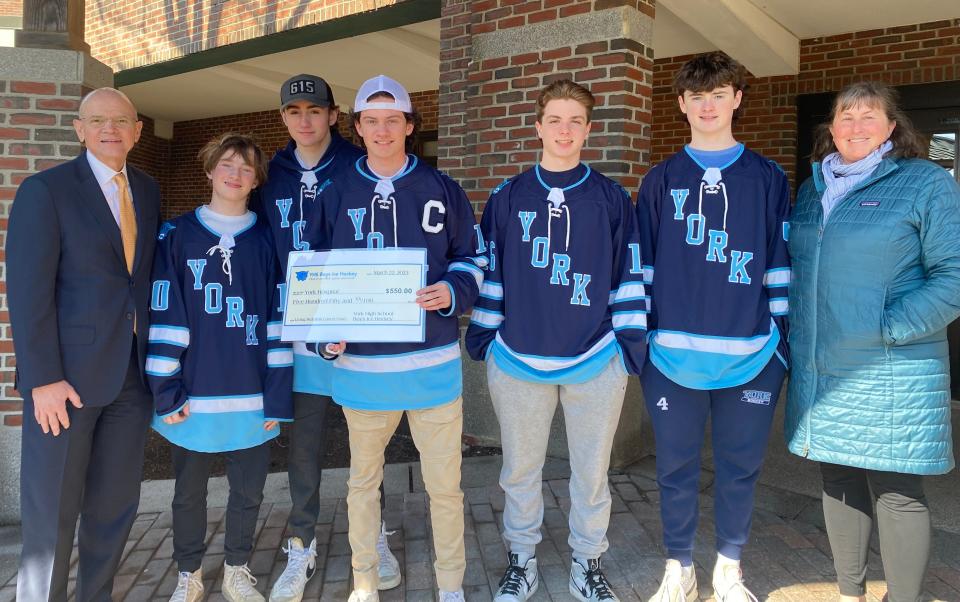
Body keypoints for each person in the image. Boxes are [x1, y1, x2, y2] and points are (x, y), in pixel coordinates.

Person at [464, 79, 647, 602]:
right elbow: (489, 269)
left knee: (591, 474)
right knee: (520, 470)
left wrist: (625, 346)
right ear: (538, 126)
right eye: (555, 120)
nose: (564, 130)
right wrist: (487, 337)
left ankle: (587, 563)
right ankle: (520, 559)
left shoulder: (611, 198)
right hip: (520, 356)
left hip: (594, 357)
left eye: (575, 121)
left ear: (588, 129)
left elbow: (627, 275)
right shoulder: (507, 196)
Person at [303, 74, 483, 602]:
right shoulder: (334, 192)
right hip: (364, 371)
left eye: (393, 120)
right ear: (357, 127)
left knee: (444, 488)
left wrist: (452, 290)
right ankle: (364, 582)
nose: (383, 130)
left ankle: (450, 586)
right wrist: (323, 337)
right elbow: (310, 271)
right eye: (371, 121)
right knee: (362, 484)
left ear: (409, 125)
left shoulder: (442, 189)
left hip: (432, 366)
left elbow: (473, 259)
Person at [786, 80, 960, 602]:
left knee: (897, 488)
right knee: (838, 477)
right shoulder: (813, 189)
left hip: (891, 366)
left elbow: (953, 273)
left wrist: (889, 328)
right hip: (823, 363)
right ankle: (849, 592)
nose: (855, 126)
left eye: (868, 116)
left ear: (891, 128)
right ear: (831, 129)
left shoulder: (925, 182)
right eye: (845, 116)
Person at [636, 52, 791, 602]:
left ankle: (729, 566)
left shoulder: (768, 177)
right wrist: (644, 342)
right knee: (674, 468)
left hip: (751, 354)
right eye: (696, 97)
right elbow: (643, 267)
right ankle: (679, 567)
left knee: (739, 467)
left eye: (718, 94)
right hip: (673, 357)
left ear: (737, 100)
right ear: (681, 105)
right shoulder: (659, 180)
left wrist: (780, 343)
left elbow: (779, 262)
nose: (707, 105)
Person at [7, 87, 160, 602]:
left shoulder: (147, 188)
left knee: (114, 510)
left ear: (138, 131)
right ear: (79, 129)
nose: (110, 129)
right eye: (97, 120)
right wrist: (42, 379)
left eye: (121, 120)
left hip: (131, 380)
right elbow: (28, 294)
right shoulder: (45, 190)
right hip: (65, 384)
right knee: (52, 519)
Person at [252, 74, 399, 602]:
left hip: (355, 318)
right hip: (299, 321)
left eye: (315, 110)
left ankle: (374, 536)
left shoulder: (359, 166)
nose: (305, 119)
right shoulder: (271, 173)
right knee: (306, 443)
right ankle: (301, 540)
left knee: (367, 442)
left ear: (336, 116)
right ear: (285, 118)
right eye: (294, 111)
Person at [147, 133, 293, 602]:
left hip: (252, 391)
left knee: (247, 492)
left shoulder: (268, 241)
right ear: (209, 170)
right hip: (193, 390)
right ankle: (189, 573)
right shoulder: (175, 235)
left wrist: (278, 393)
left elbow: (278, 319)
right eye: (227, 165)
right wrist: (165, 388)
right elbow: (163, 311)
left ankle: (236, 567)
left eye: (247, 168)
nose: (235, 174)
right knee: (188, 493)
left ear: (256, 180)